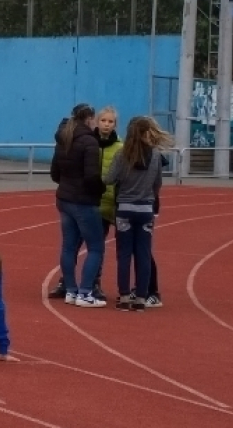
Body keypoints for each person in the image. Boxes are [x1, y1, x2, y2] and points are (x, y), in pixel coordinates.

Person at [48, 105, 122, 301]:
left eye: (110, 121)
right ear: (91, 119)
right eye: (101, 120)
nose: (104, 124)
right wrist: (99, 191)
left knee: (68, 246)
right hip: (85, 201)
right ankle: (86, 291)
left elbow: (55, 172)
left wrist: (67, 184)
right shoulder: (89, 142)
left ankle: (70, 289)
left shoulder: (63, 138)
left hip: (64, 198)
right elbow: (91, 177)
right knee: (96, 247)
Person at [103, 116, 171, 312]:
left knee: (123, 254)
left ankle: (124, 296)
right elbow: (157, 183)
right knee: (143, 253)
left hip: (124, 208)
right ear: (146, 132)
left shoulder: (121, 155)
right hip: (145, 209)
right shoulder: (156, 156)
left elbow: (109, 179)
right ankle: (141, 297)